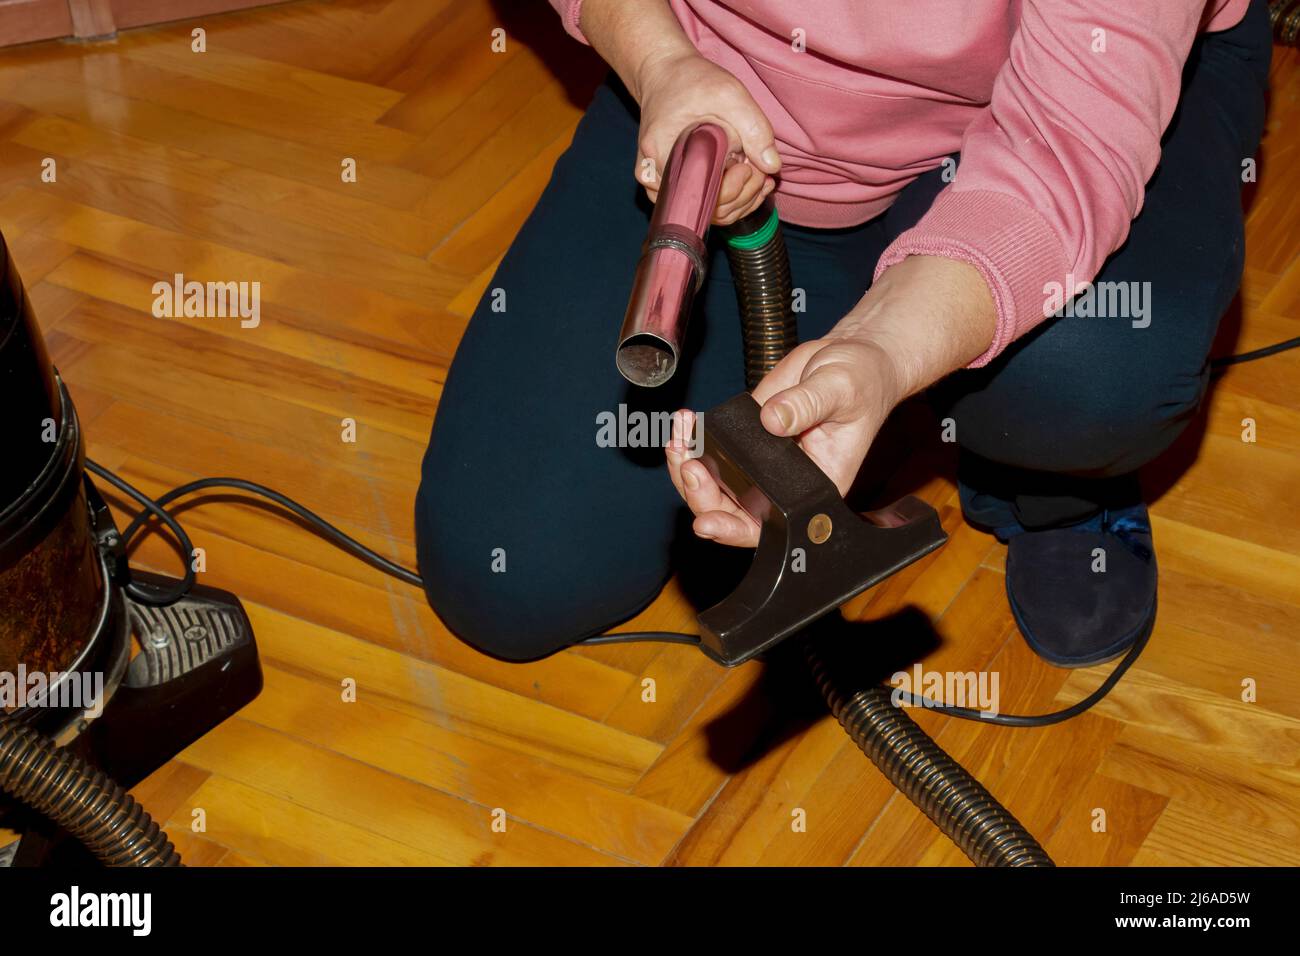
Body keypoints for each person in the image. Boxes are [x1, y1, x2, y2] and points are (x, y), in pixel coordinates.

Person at [415, 0, 1271, 665]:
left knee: (1089, 368)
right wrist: (663, 62)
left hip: (1035, 112)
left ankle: (1055, 491)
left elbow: (1063, 160)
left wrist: (885, 350)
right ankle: (867, 351)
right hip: (715, 88)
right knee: (510, 574)